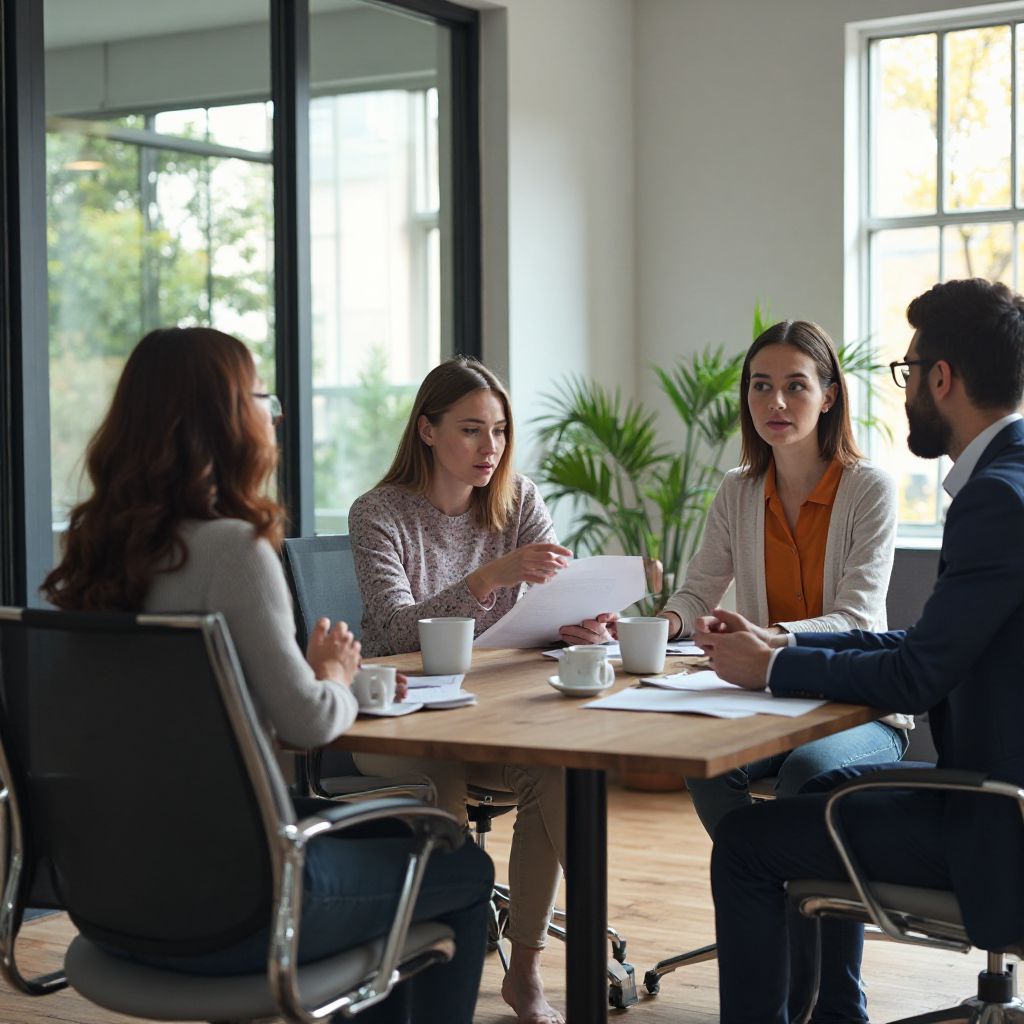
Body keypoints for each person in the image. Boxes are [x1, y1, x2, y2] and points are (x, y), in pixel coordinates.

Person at [41, 327, 493, 1024]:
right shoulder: (234, 549)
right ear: (221, 419)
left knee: (388, 838)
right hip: (240, 906)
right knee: (462, 866)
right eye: (259, 396)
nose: (273, 412)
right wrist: (336, 673)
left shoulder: (94, 553)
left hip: (112, 897)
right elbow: (309, 722)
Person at [698, 278, 1024, 1024]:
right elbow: (931, 644)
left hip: (995, 820)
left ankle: (831, 1009)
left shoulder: (996, 499)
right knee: (810, 793)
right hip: (997, 790)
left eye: (908, 373)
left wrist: (774, 661)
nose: (905, 390)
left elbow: (918, 674)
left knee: (748, 844)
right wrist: (771, 650)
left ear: (941, 379)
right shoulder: (1013, 482)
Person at [569, 320, 907, 835]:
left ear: (828, 397)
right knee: (708, 766)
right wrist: (655, 626)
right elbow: (700, 590)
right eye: (761, 385)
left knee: (808, 773)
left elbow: (857, 618)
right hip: (771, 700)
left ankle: (805, 900)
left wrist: (767, 641)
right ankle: (759, 889)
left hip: (861, 706)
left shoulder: (869, 489)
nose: (776, 402)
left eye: (796, 385)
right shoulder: (738, 489)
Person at [349, 356, 575, 1024]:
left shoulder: (517, 500)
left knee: (560, 772)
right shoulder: (379, 513)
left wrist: (579, 618)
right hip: (403, 727)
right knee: (439, 785)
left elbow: (554, 589)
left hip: (493, 719)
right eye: (472, 430)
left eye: (500, 431)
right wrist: (488, 578)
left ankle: (525, 969)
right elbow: (391, 630)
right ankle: (439, 973)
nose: (491, 448)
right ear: (426, 429)